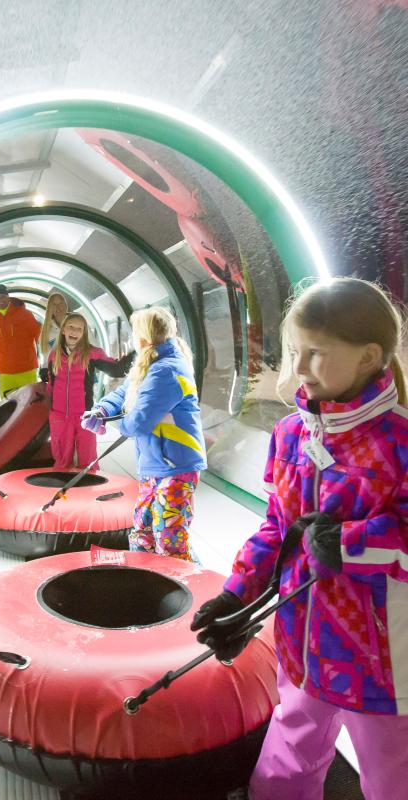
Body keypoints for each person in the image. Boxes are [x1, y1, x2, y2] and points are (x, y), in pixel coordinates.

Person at [190, 277, 408, 800]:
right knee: (293, 741)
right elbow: (276, 525)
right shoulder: (291, 434)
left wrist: (351, 543)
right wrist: (237, 595)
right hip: (302, 635)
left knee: (391, 770)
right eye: (295, 352)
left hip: (380, 656)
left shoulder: (398, 439)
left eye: (316, 353)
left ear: (367, 356)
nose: (300, 369)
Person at [82, 306, 207, 560]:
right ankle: (147, 581)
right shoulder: (150, 363)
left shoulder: (167, 370)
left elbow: (138, 422)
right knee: (143, 533)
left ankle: (187, 589)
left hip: (175, 467)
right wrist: (101, 410)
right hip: (155, 464)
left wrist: (111, 423)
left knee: (169, 539)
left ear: (143, 337)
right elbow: (122, 393)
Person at [47, 312, 134, 470]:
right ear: (64, 330)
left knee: (88, 462)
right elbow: (51, 385)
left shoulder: (92, 354)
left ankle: (88, 489)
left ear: (84, 333)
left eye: (79, 329)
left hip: (84, 416)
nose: (74, 331)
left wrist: (137, 355)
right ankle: (62, 490)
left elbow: (116, 370)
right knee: (61, 461)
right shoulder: (54, 355)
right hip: (59, 416)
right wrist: (51, 411)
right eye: (71, 327)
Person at [0, 284, 41, 398]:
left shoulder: (25, 315)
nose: (0, 300)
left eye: (3, 296)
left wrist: (47, 362)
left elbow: (40, 337)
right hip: (5, 372)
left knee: (29, 404)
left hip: (26, 370)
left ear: (8, 297)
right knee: (7, 407)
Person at [39, 291, 69, 380]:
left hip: (79, 375)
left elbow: (93, 347)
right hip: (57, 377)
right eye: (54, 305)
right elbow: (46, 354)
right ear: (50, 309)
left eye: (60, 303)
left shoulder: (77, 323)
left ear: (66, 305)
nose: (58, 307)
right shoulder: (47, 331)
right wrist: (44, 368)